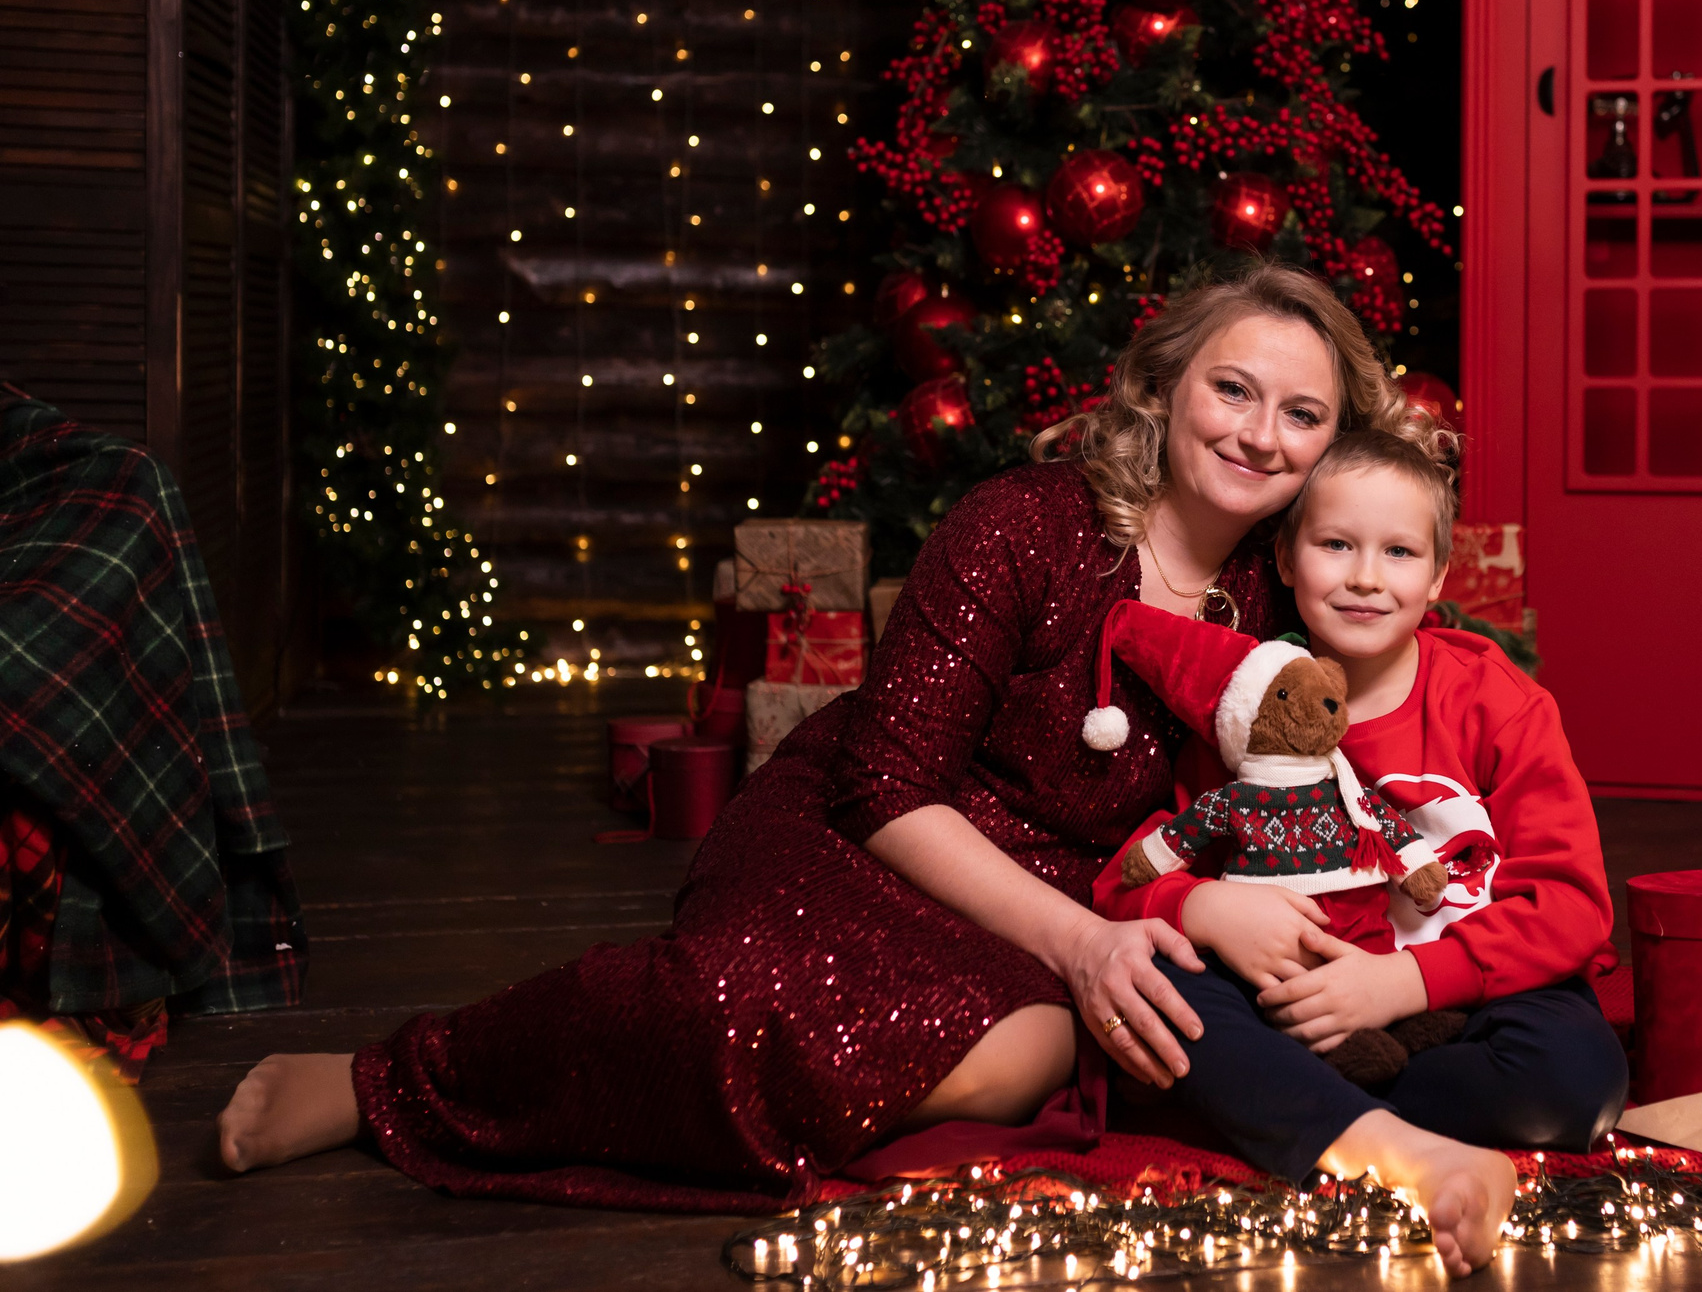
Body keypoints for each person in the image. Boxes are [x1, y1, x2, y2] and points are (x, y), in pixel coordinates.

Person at [214, 263, 1520, 1275]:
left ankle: (816, 1103)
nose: (1260, 432)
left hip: (1086, 887)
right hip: (878, 828)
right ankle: (401, 1076)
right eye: (1234, 389)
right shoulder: (1023, 523)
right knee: (748, 1002)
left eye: (1303, 413)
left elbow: (1298, 797)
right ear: (1168, 386)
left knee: (1010, 1064)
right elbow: (890, 783)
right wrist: (1080, 944)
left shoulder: (1285, 591)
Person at [1092, 425, 1625, 1182]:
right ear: (1284, 556)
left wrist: (1401, 984)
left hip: (1467, 990)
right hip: (1301, 1005)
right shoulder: (1250, 712)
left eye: (1399, 553)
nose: (1366, 578)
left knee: (1576, 1080)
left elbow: (1570, 906)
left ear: (1440, 574)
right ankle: (1332, 1111)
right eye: (1336, 545)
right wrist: (1203, 909)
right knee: (1171, 990)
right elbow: (1140, 877)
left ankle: (1301, 1115)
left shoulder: (1495, 703)